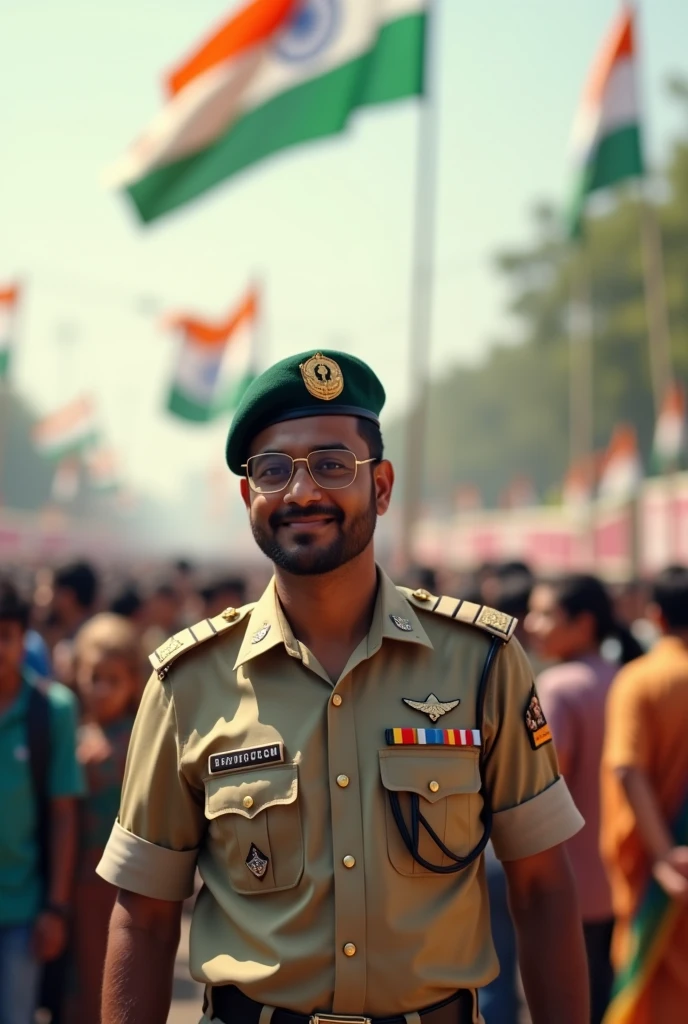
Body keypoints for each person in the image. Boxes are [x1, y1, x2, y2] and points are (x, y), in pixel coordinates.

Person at [97, 350, 589, 1024]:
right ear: (249, 497)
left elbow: (540, 890)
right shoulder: (189, 682)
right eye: (273, 470)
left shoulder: (479, 662)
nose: (301, 493)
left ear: (380, 487)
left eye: (332, 465)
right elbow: (147, 920)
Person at [525, 574, 642, 1024]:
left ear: (584, 623)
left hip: (568, 881)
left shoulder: (559, 687)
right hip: (621, 875)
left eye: (547, 614)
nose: (533, 624)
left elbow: (541, 783)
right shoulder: (625, 678)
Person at [600, 565, 688, 1024]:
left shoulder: (641, 680)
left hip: (662, 878)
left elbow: (626, 766)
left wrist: (663, 855)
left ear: (655, 616)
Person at [0, 580, 84, 1024]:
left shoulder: (52, 710)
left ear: (21, 639)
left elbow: (63, 815)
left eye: (4, 636)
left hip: (23, 911)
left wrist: (56, 909)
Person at [67, 613, 142, 1024]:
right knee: (79, 978)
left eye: (114, 680)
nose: (101, 690)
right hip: (75, 876)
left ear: (133, 681)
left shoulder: (137, 736)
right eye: (93, 677)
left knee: (112, 979)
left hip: (121, 879)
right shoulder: (72, 732)